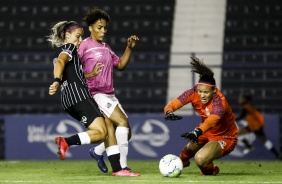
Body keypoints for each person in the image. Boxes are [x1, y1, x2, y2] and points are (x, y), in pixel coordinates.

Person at [47, 21, 139, 176]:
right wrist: (56, 80)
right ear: (67, 35)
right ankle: (67, 142)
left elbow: (71, 73)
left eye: (81, 36)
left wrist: (89, 75)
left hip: (70, 99)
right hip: (80, 96)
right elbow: (61, 61)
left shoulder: (74, 53)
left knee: (108, 126)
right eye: (77, 36)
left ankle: (117, 169)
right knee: (103, 131)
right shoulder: (69, 48)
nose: (79, 40)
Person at [77, 7, 139, 174]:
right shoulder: (84, 46)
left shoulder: (106, 47)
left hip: (109, 94)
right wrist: (90, 74)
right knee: (122, 123)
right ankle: (123, 167)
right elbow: (74, 71)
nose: (103, 31)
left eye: (105, 27)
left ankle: (97, 152)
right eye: (99, 27)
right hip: (96, 94)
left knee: (126, 133)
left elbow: (120, 66)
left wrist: (129, 48)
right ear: (90, 28)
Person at [164, 56, 238, 175]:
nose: (202, 95)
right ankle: (182, 163)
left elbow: (212, 120)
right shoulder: (193, 92)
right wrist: (168, 111)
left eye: (205, 92)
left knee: (200, 159)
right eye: (200, 91)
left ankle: (211, 170)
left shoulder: (220, 102)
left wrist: (198, 131)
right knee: (187, 151)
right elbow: (176, 102)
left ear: (214, 90)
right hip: (205, 131)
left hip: (224, 136)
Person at [236, 92, 280, 158]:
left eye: (241, 98)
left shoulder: (247, 107)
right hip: (252, 125)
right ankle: (249, 146)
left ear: (245, 100)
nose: (239, 100)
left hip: (256, 126)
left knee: (264, 141)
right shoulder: (248, 106)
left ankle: (277, 155)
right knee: (237, 134)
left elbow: (241, 116)